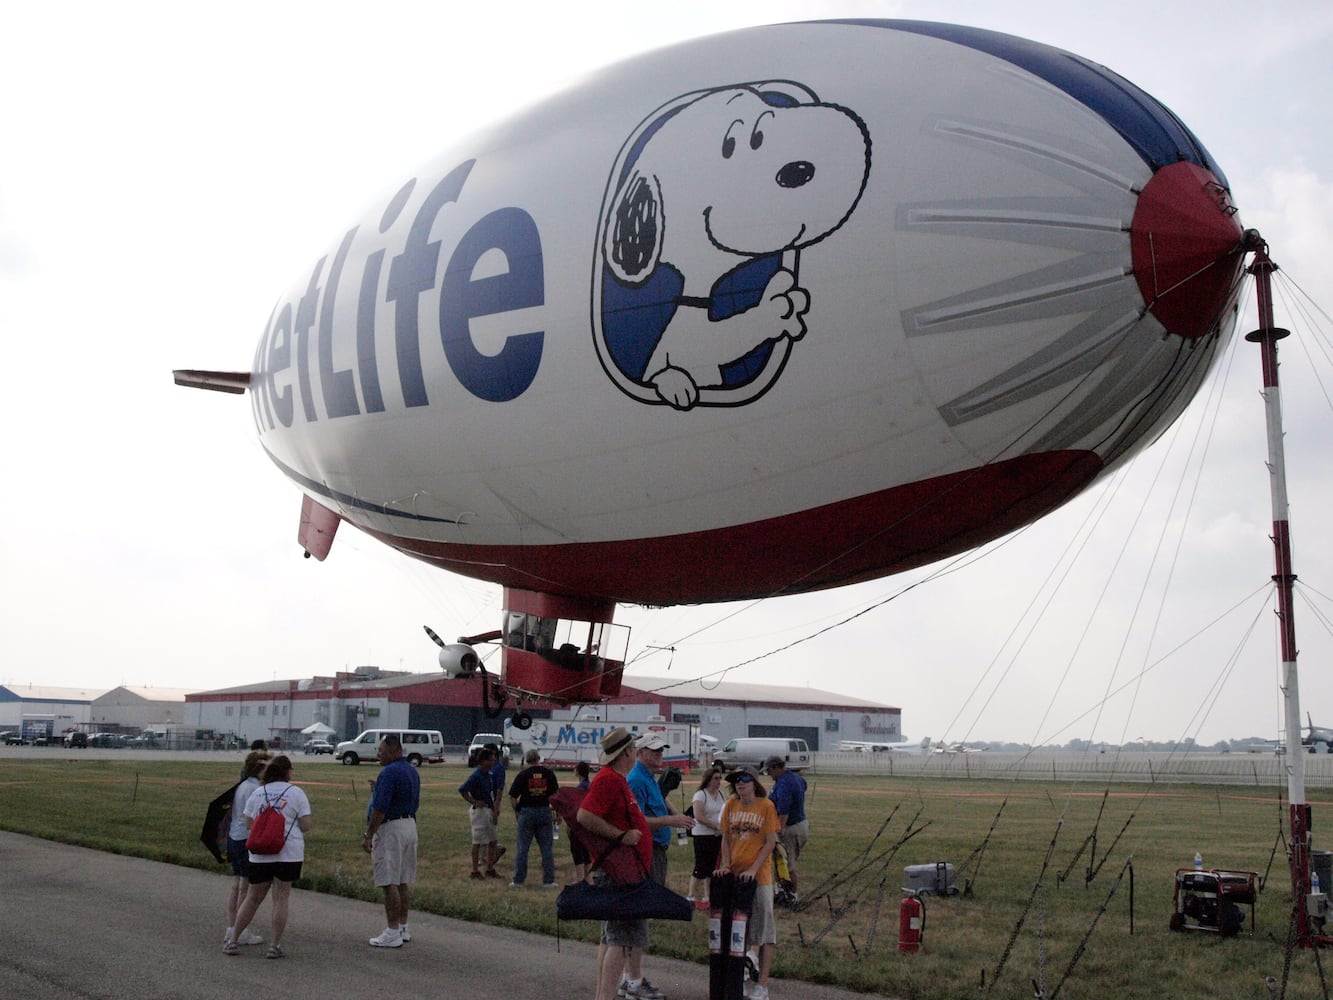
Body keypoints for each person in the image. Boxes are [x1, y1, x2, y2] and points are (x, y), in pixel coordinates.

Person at [576, 728, 659, 1000]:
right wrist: (621, 836)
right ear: (627, 752)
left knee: (614, 938)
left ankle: (605, 995)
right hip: (619, 874)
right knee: (620, 939)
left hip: (628, 872)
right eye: (634, 748)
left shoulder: (618, 779)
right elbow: (585, 815)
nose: (635, 752)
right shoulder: (609, 780)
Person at [224, 755, 312, 959]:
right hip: (289, 853)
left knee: (253, 897)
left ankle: (233, 939)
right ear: (288, 771)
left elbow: (248, 823)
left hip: (261, 854)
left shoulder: (258, 793)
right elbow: (306, 825)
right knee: (281, 898)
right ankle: (274, 945)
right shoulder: (296, 793)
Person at [715, 767, 780, 1000]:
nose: (740, 784)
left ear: (754, 782)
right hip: (735, 877)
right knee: (737, 930)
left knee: (763, 930)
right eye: (736, 781)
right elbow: (725, 838)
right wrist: (726, 865)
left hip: (759, 877)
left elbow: (770, 842)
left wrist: (754, 869)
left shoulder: (766, 807)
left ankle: (762, 985)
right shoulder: (731, 806)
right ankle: (738, 978)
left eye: (744, 780)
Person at [363, 733, 421, 947]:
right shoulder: (411, 770)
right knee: (402, 879)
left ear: (393, 750)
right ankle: (404, 926)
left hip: (391, 828)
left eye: (381, 752)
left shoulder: (388, 772)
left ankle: (392, 931)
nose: (378, 756)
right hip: (409, 825)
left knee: (389, 881)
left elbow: (380, 808)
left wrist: (369, 834)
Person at [223, 749, 270, 948]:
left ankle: (232, 927)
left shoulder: (242, 785)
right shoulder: (255, 789)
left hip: (234, 837)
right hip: (245, 839)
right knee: (245, 888)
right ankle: (240, 931)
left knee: (237, 885)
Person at [507, 749, 560, 887]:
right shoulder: (548, 774)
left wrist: (517, 811)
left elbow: (512, 797)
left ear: (527, 760)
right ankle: (549, 881)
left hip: (527, 812)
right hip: (544, 811)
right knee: (546, 848)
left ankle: (518, 880)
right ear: (538, 758)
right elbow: (556, 797)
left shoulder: (523, 775)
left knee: (522, 848)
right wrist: (557, 814)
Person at [764, 756, 808, 905]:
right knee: (779, 862)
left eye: (769, 771)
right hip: (800, 824)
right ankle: (781, 892)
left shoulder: (784, 784)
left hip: (789, 827)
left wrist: (778, 832)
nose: (769, 774)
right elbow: (804, 786)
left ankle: (793, 896)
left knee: (786, 864)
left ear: (776, 768)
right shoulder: (795, 778)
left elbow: (783, 811)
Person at [459, 746, 503, 878]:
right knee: (477, 842)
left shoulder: (489, 775)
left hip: (488, 810)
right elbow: (463, 790)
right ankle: (474, 871)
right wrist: (473, 802)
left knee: (493, 840)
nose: (493, 761)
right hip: (480, 812)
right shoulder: (476, 776)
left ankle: (489, 868)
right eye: (491, 759)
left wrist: (495, 809)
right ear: (483, 761)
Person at [686, 766, 726, 910]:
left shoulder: (720, 794)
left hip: (717, 836)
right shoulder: (700, 795)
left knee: (713, 866)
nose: (718, 781)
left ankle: (708, 896)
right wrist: (714, 825)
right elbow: (699, 816)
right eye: (715, 778)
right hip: (702, 835)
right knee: (701, 866)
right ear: (708, 780)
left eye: (719, 778)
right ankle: (691, 895)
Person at [567, 760, 593, 883]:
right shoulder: (591, 786)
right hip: (589, 824)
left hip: (578, 825)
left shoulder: (580, 789)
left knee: (577, 850)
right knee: (587, 851)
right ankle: (588, 877)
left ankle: (580, 878)